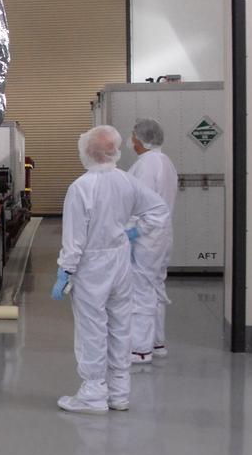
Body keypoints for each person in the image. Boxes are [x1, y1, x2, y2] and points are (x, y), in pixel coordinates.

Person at [51, 125, 168, 414]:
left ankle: (93, 393)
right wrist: (134, 232)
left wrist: (65, 271)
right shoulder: (126, 181)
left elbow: (74, 239)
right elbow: (159, 210)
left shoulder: (81, 187)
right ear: (113, 151)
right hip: (120, 259)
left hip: (92, 265)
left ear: (88, 152)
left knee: (92, 327)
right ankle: (119, 392)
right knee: (120, 324)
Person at [128, 118, 178, 363]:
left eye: (134, 137)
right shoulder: (165, 161)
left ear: (142, 139)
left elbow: (141, 202)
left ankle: (139, 349)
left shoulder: (147, 164)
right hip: (161, 236)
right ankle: (157, 343)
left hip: (146, 237)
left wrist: (131, 231)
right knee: (156, 287)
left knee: (141, 290)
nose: (132, 141)